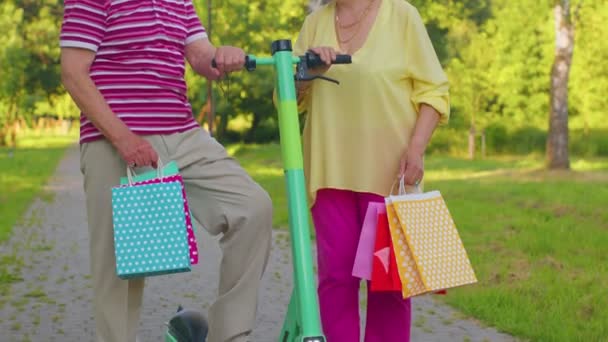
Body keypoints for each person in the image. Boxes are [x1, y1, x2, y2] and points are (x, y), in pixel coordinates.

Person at [59, 1, 273, 341]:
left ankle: (227, 334)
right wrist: (123, 138)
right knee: (119, 269)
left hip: (182, 133)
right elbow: (72, 71)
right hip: (113, 139)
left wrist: (222, 56)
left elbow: (201, 56)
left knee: (253, 207)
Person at [293, 0, 450, 340]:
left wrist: (416, 149)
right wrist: (309, 71)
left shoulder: (402, 15)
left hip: (388, 174)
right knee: (335, 279)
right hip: (329, 169)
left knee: (388, 284)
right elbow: (289, 96)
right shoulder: (314, 24)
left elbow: (434, 91)